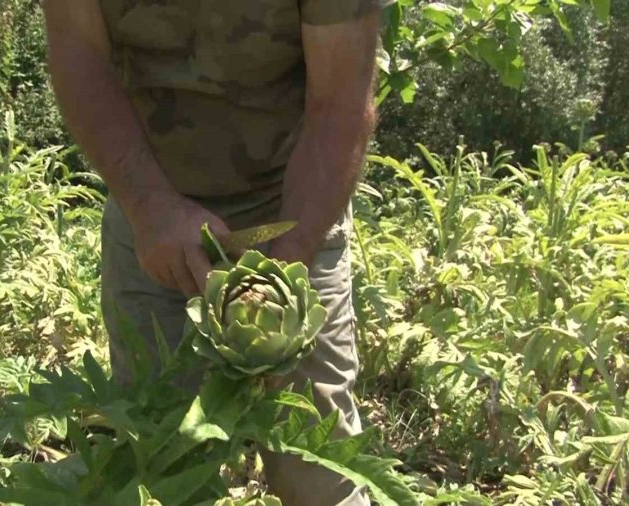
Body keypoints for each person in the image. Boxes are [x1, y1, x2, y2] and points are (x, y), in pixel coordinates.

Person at [43, 1, 392, 504]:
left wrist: (285, 271)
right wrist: (150, 205)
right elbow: (79, 53)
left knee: (317, 469)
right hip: (151, 206)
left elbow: (340, 101)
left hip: (295, 204)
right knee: (159, 457)